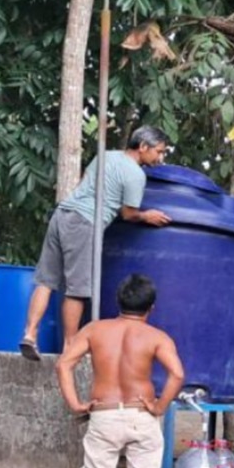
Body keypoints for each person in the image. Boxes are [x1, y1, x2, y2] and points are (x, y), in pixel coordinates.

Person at [55, 274, 184, 468]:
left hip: (105, 413)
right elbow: (177, 374)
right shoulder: (157, 337)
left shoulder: (95, 330)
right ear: (151, 307)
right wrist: (160, 406)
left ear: (118, 301)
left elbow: (64, 364)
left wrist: (76, 403)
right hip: (142, 415)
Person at [20, 126, 173, 360]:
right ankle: (70, 347)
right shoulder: (135, 174)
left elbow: (85, 182)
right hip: (85, 222)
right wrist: (147, 215)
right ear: (143, 147)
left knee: (45, 281)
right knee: (78, 290)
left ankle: (29, 335)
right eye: (159, 151)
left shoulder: (106, 155)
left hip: (63, 213)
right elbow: (128, 214)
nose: (160, 158)